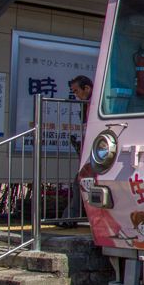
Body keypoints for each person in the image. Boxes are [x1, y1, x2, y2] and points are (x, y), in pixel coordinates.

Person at [62, 75, 92, 228]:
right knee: (80, 180)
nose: (76, 95)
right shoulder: (87, 104)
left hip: (97, 150)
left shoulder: (94, 103)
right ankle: (71, 216)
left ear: (87, 88)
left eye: (77, 91)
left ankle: (70, 216)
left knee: (80, 180)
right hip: (93, 148)